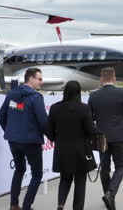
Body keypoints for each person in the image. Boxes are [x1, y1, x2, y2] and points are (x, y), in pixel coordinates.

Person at [0, 68, 48, 210]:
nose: (41, 82)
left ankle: (14, 205)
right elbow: (43, 122)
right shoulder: (36, 97)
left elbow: (1, 116)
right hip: (31, 141)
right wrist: (53, 136)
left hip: (13, 141)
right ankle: (26, 207)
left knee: (19, 170)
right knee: (37, 174)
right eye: (39, 79)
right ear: (30, 79)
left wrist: (11, 131)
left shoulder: (12, 94)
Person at [88, 67, 123, 210]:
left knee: (104, 168)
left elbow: (90, 117)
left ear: (101, 79)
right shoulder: (122, 92)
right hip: (119, 135)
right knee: (120, 166)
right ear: (114, 78)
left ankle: (108, 196)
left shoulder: (93, 95)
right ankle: (110, 193)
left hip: (102, 136)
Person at [47, 81, 97, 210]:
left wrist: (54, 138)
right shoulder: (84, 108)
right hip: (80, 150)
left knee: (64, 179)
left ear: (65, 91)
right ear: (78, 92)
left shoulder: (54, 107)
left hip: (62, 150)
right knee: (80, 182)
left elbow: (49, 131)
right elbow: (91, 131)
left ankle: (60, 205)